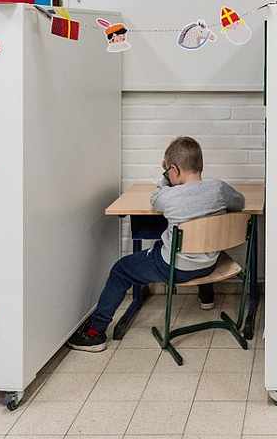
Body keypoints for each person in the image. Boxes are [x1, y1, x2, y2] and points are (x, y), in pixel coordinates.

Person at [68, 136, 244, 352]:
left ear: (173, 170)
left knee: (121, 269)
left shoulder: (168, 197)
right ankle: (206, 297)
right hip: (210, 263)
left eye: (168, 171)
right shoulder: (219, 189)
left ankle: (95, 332)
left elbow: (155, 198)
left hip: (174, 268)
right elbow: (240, 202)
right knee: (197, 240)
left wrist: (165, 180)